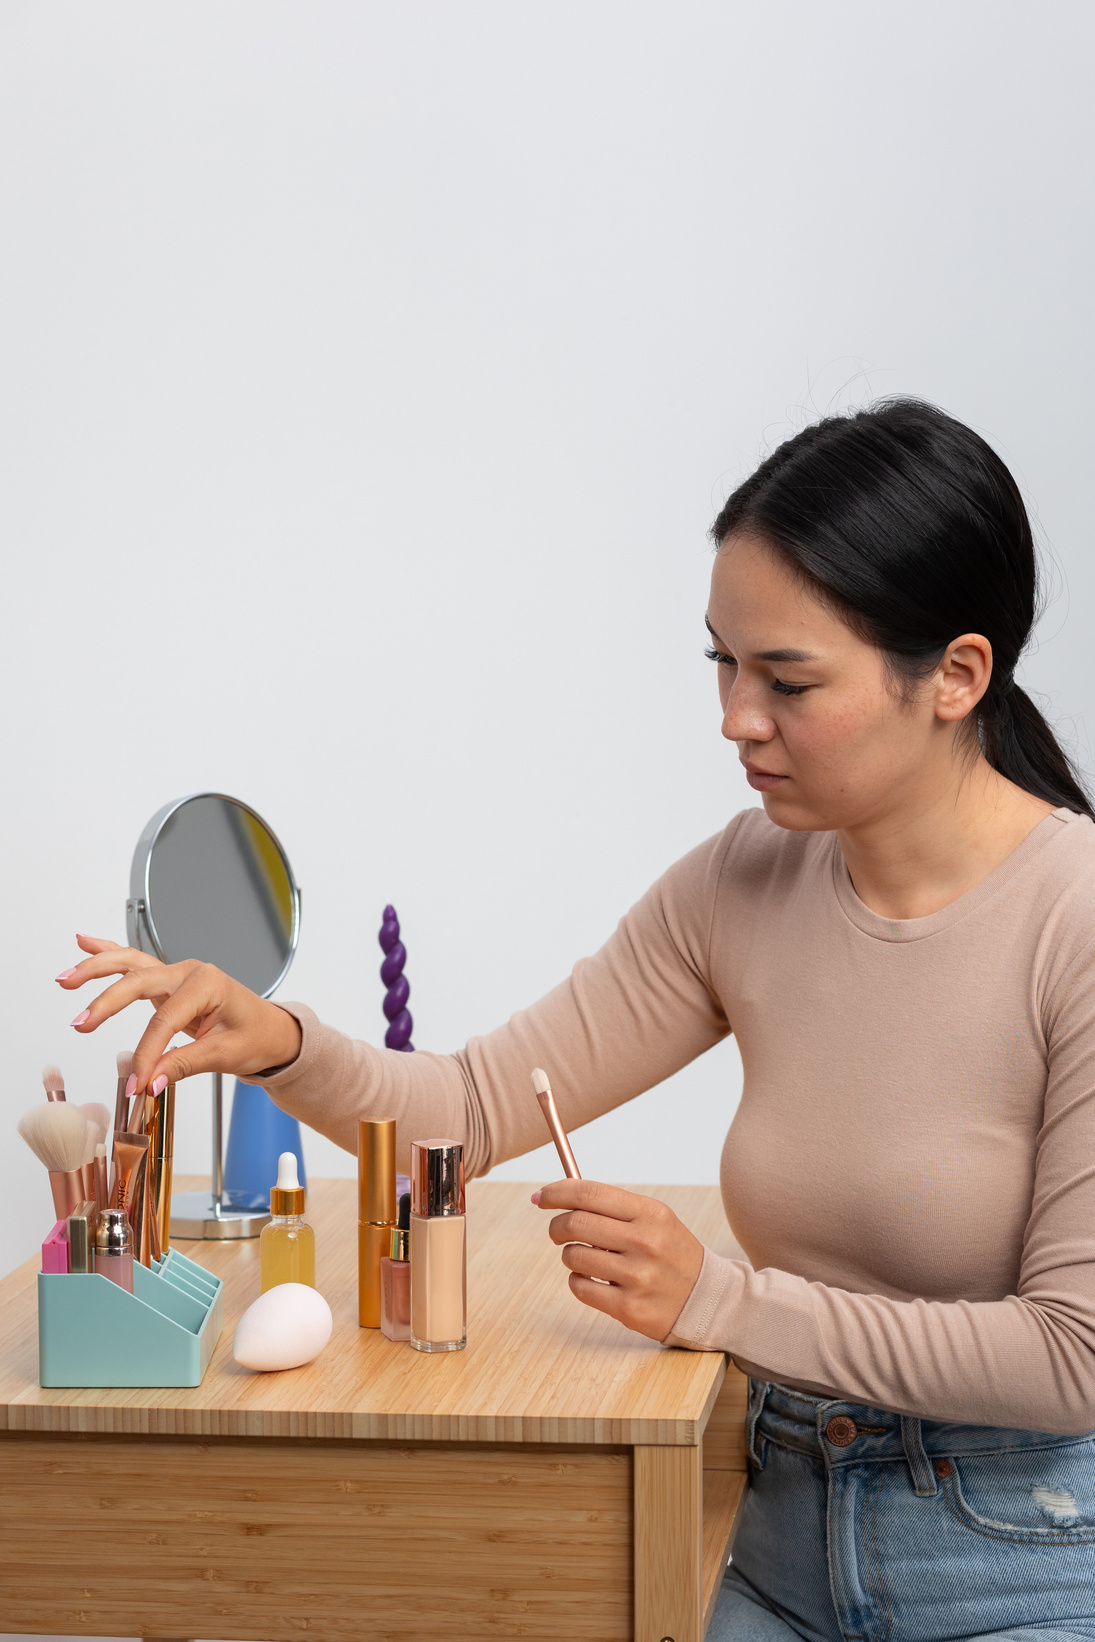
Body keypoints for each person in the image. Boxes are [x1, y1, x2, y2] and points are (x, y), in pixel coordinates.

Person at [59, 400, 1095, 1640]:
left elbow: (1068, 1358)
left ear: (957, 676)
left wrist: (716, 1301)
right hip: (755, 1523)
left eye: (787, 679)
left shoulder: (1071, 923)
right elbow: (473, 1108)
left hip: (1014, 1553)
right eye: (721, 660)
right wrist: (283, 1043)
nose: (734, 717)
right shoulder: (743, 880)